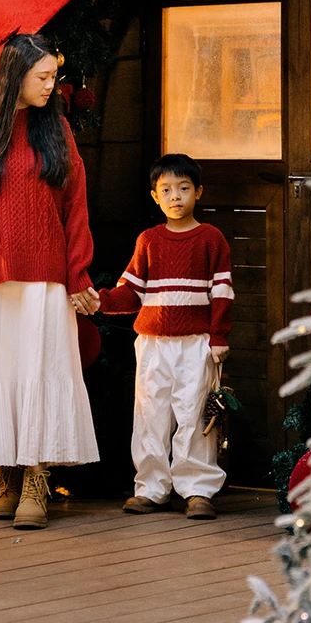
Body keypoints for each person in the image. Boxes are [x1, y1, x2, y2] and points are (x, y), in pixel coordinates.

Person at [0, 32, 100, 530]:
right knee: (0, 372)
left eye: (54, 76)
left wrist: (78, 274)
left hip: (47, 278)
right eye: (43, 77)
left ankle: (35, 479)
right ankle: (7, 476)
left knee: (41, 370)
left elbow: (75, 207)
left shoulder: (57, 129)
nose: (52, 85)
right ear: (15, 76)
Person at [98, 153, 233, 519]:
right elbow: (132, 292)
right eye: (167, 190)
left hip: (196, 342)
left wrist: (219, 337)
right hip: (153, 343)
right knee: (150, 413)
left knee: (194, 414)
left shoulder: (211, 239)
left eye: (184, 189)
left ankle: (197, 489)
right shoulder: (148, 240)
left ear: (198, 192)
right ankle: (151, 487)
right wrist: (101, 300)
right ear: (155, 196)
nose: (176, 197)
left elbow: (222, 292)